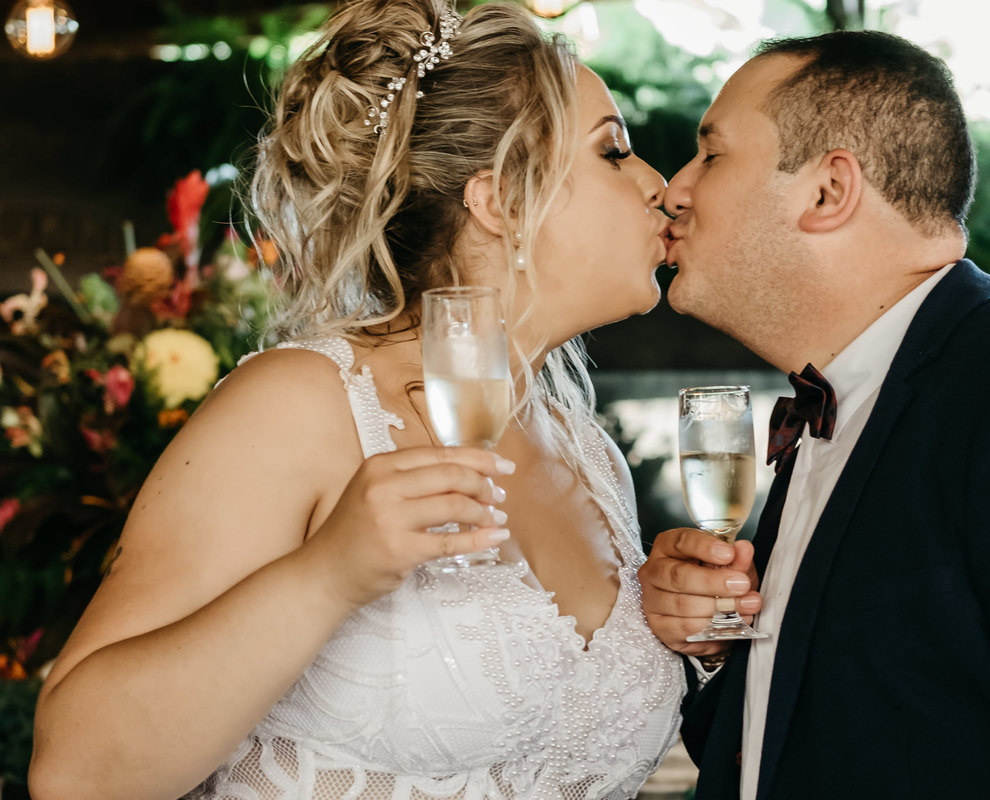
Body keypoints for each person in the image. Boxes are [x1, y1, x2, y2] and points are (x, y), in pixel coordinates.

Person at [29, 1, 684, 798]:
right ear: (500, 200)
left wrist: (683, 619)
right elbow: (75, 773)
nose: (661, 186)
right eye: (615, 152)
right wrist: (327, 575)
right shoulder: (301, 406)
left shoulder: (586, 451)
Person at [639, 29, 990, 800]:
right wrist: (719, 645)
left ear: (828, 191)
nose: (674, 187)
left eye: (712, 154)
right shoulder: (838, 402)